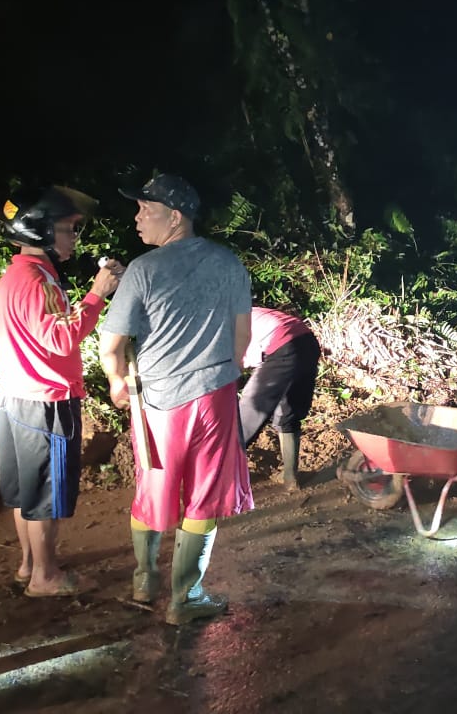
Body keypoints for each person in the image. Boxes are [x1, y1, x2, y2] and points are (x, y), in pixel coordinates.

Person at [99, 174, 254, 626]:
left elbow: (111, 346)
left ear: (175, 215)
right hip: (214, 398)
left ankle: (145, 577)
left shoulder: (144, 270)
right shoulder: (229, 264)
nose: (137, 217)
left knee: (154, 487)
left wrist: (115, 382)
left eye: (145, 209)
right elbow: (242, 339)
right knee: (203, 496)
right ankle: (184, 599)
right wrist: (225, 371)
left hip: (157, 404)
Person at [0, 186, 123, 597]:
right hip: (46, 402)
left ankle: (29, 565)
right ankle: (45, 577)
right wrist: (97, 294)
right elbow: (62, 338)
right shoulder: (38, 280)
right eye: (67, 229)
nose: (72, 239)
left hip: (16, 396)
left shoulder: (15, 276)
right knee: (46, 494)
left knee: (25, 493)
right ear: (42, 232)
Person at [240, 306, 321, 489]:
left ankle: (218, 480)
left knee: (247, 415)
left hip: (282, 346)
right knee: (288, 410)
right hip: (308, 342)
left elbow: (233, 367)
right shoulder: (248, 310)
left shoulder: (225, 322)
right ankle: (290, 477)